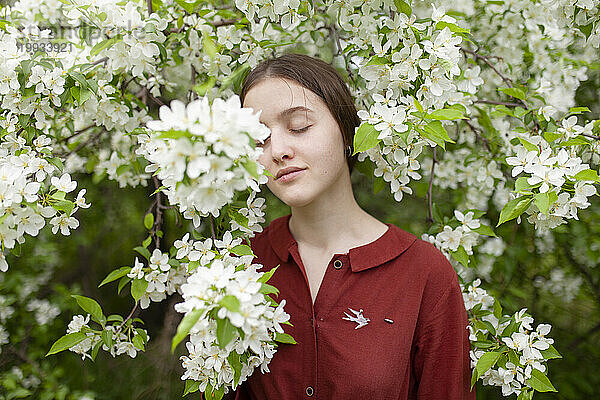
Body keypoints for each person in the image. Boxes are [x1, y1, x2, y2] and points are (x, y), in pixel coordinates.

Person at [234, 53, 475, 399]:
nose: (278, 150)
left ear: (347, 131)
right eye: (259, 139)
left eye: (299, 126)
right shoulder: (242, 262)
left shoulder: (423, 274)